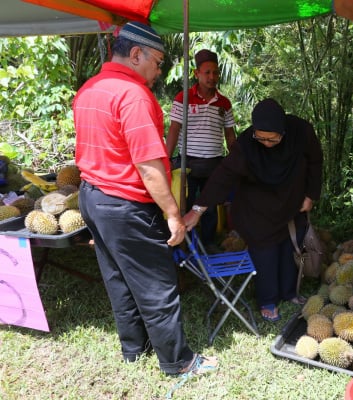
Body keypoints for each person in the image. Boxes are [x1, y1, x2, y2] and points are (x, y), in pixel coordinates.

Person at [73, 21, 217, 376]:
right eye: (157, 62)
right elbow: (150, 167)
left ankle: (134, 350)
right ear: (136, 54)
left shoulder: (90, 88)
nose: (158, 71)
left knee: (118, 278)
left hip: (92, 197)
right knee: (157, 284)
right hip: (125, 203)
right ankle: (179, 362)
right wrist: (172, 213)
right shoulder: (133, 95)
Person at [182, 98, 323, 322]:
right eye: (262, 138)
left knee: (289, 247)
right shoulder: (247, 144)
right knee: (265, 251)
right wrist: (198, 209)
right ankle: (268, 300)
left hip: (290, 200)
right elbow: (223, 176)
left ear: (283, 131)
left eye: (272, 138)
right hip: (256, 207)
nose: (266, 143)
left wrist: (310, 195)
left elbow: (316, 162)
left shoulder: (301, 132)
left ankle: (289, 292)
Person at [166, 49, 236, 246]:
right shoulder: (183, 98)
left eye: (215, 73)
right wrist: (165, 160)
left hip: (214, 164)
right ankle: (184, 245)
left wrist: (238, 159)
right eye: (207, 72)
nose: (212, 77)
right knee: (184, 205)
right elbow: (174, 129)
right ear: (197, 74)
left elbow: (230, 135)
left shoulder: (224, 103)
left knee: (210, 208)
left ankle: (207, 245)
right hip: (187, 162)